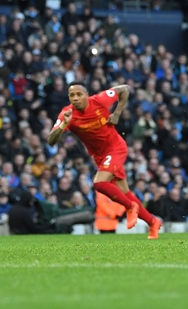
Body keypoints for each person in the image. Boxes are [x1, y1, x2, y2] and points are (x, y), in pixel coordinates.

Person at [47, 81, 162, 239]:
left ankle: (130, 207)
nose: (75, 98)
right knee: (125, 193)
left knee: (99, 183)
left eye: (79, 94)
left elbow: (125, 89)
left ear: (87, 95)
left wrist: (117, 113)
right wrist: (62, 126)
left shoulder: (100, 100)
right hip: (100, 156)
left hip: (115, 148)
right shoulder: (67, 114)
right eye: (71, 95)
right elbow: (51, 140)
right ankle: (153, 222)